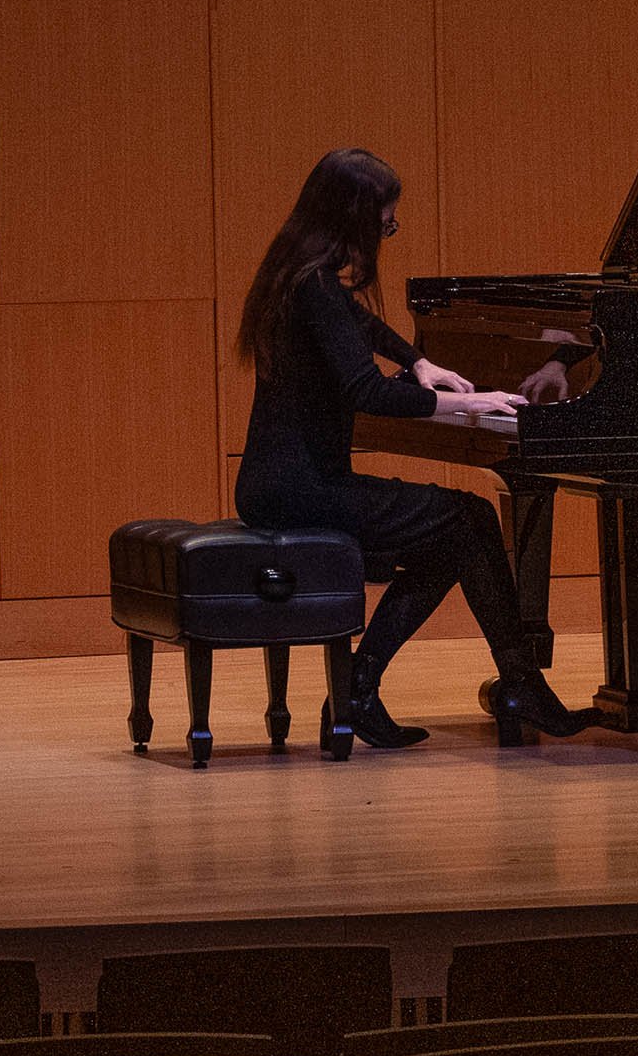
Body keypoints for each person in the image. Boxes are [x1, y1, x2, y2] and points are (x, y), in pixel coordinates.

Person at [231, 148, 589, 749]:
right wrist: (470, 404)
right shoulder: (313, 287)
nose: (386, 234)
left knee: (453, 538)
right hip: (302, 490)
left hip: (282, 484)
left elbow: (362, 327)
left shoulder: (298, 276)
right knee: (469, 519)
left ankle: (372, 692)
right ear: (355, 218)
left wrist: (419, 361)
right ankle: (486, 686)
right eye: (386, 223)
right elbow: (365, 391)